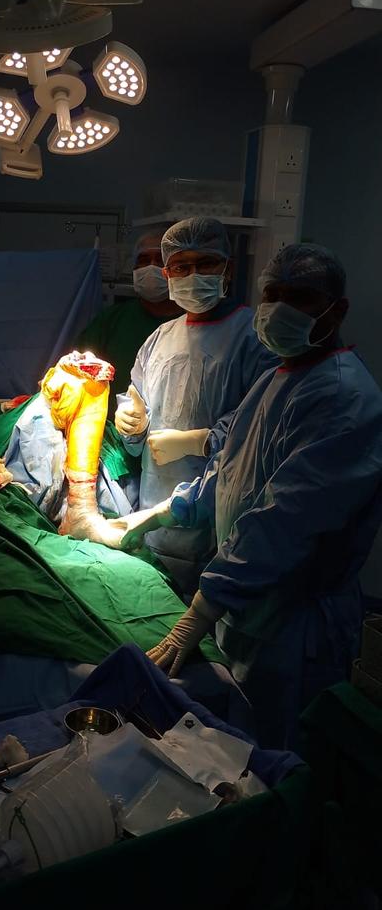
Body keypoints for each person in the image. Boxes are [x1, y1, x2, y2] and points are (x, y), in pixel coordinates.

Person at [111, 243, 382, 749]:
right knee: (229, 749)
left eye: (299, 298)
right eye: (272, 294)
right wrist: (164, 512)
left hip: (293, 623)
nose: (279, 308)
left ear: (337, 310)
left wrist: (203, 607)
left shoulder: (342, 397)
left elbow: (283, 521)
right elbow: (229, 469)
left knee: (277, 758)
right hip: (245, 607)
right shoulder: (280, 377)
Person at [113, 217, 277, 596]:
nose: (193, 275)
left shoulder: (254, 337)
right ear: (167, 274)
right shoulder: (159, 339)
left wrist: (202, 441)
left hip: (221, 524)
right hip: (156, 517)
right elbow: (136, 406)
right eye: (181, 267)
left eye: (206, 264)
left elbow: (264, 423)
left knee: (208, 615)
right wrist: (131, 424)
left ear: (227, 269)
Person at [75, 229, 181, 419]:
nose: (151, 267)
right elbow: (76, 370)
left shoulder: (190, 322)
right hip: (110, 426)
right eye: (143, 260)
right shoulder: (111, 320)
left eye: (160, 260)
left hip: (171, 430)